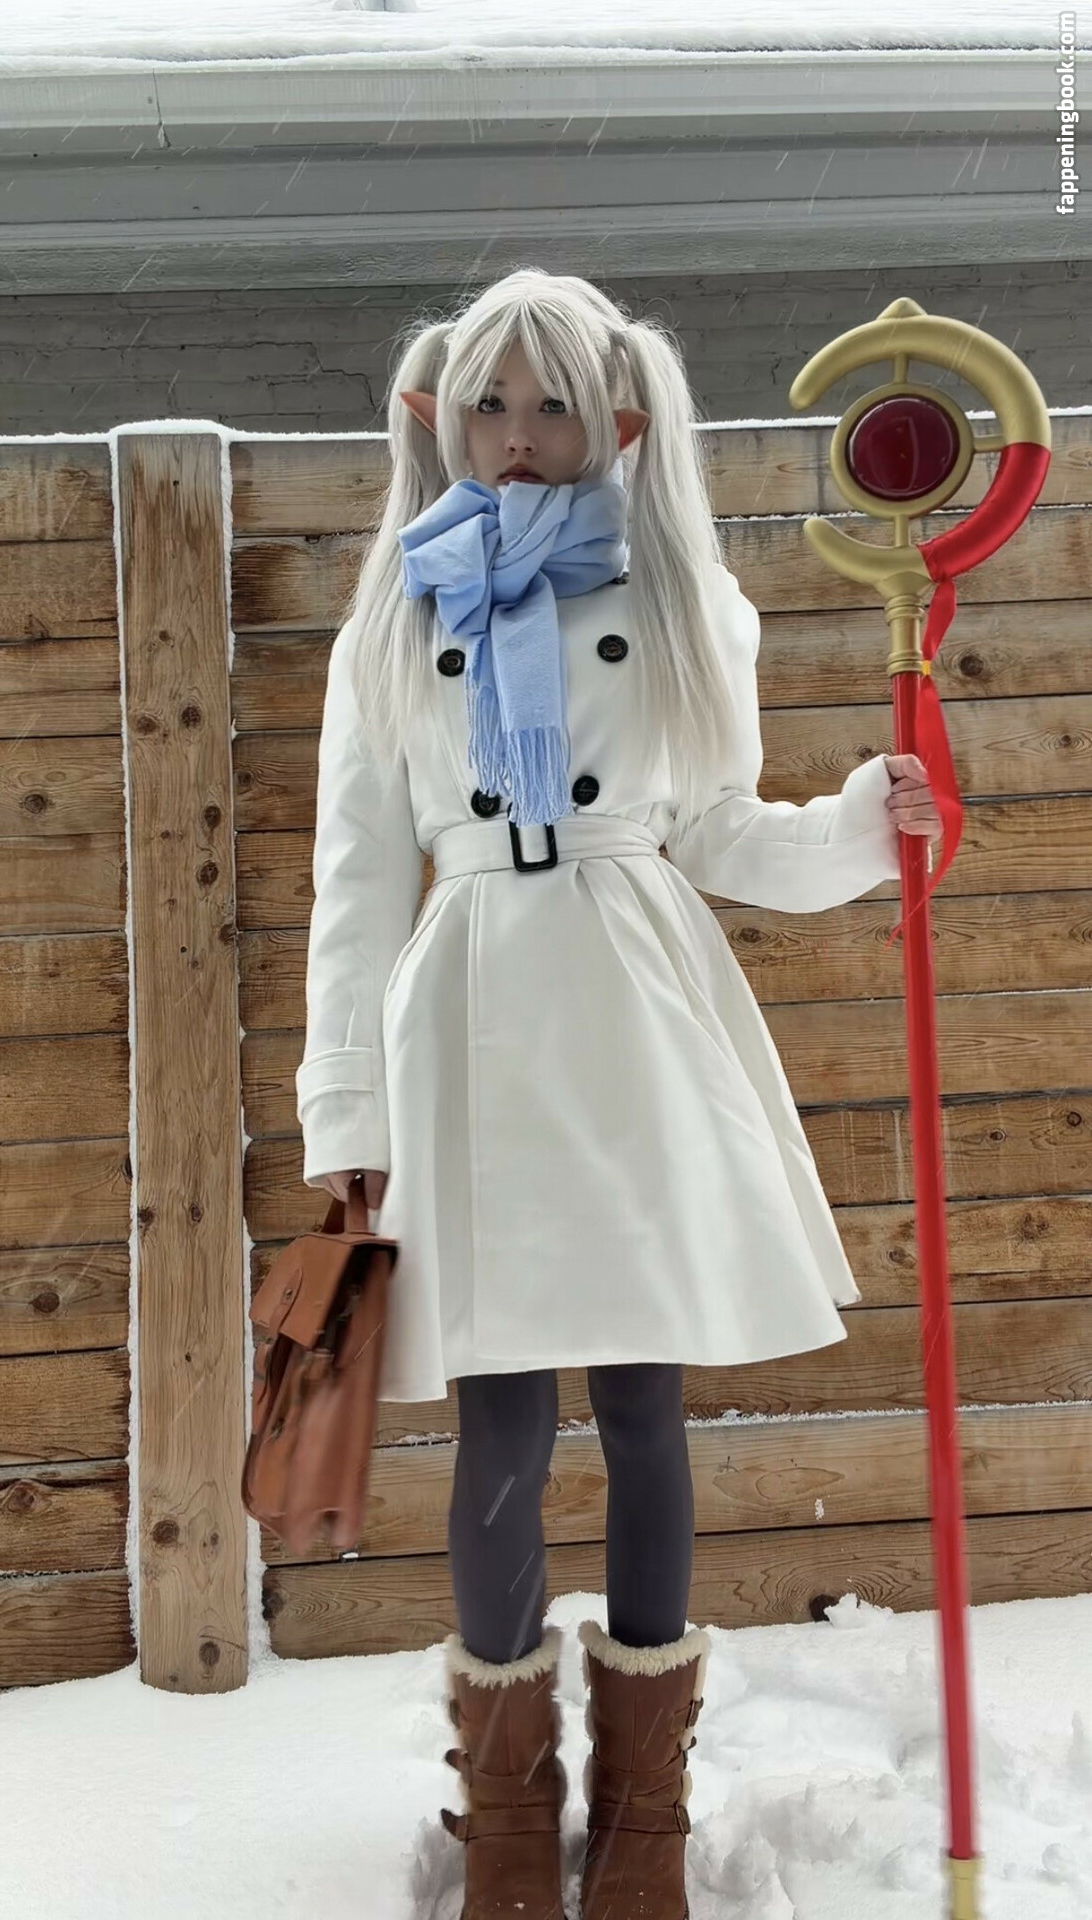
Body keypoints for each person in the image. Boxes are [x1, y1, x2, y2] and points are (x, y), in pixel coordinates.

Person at [295, 269, 940, 1920]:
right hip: (468, 1016)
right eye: (488, 404)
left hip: (635, 1003)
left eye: (552, 407)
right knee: (501, 1414)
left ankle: (645, 1820)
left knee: (645, 1404)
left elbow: (715, 827)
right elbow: (355, 885)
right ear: (438, 415)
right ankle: (510, 1825)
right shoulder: (395, 614)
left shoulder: (682, 601)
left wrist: (858, 826)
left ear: (619, 423)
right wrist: (346, 1116)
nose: (516, 437)